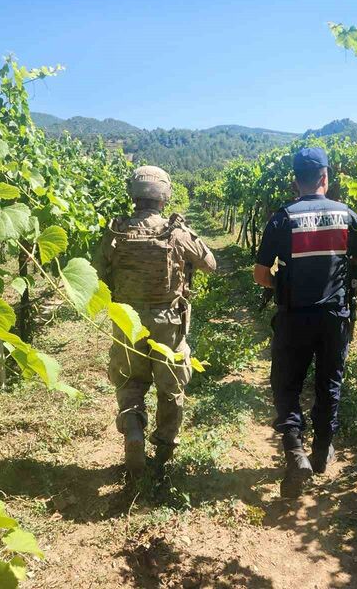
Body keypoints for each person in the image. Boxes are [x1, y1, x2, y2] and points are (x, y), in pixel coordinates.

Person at [253, 147, 357, 498]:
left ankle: (294, 451)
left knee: (286, 383)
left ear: (295, 181)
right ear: (325, 178)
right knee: (329, 382)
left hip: (294, 317)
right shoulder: (346, 215)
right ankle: (322, 452)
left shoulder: (282, 217)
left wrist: (283, 282)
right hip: (335, 317)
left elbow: (261, 274)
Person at [96, 165, 217, 479]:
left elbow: (97, 273)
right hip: (168, 319)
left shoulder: (117, 231)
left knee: (130, 381)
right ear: (164, 194)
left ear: (133, 193)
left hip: (127, 320)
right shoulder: (174, 232)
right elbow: (210, 264)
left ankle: (134, 428)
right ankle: (164, 448)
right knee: (170, 385)